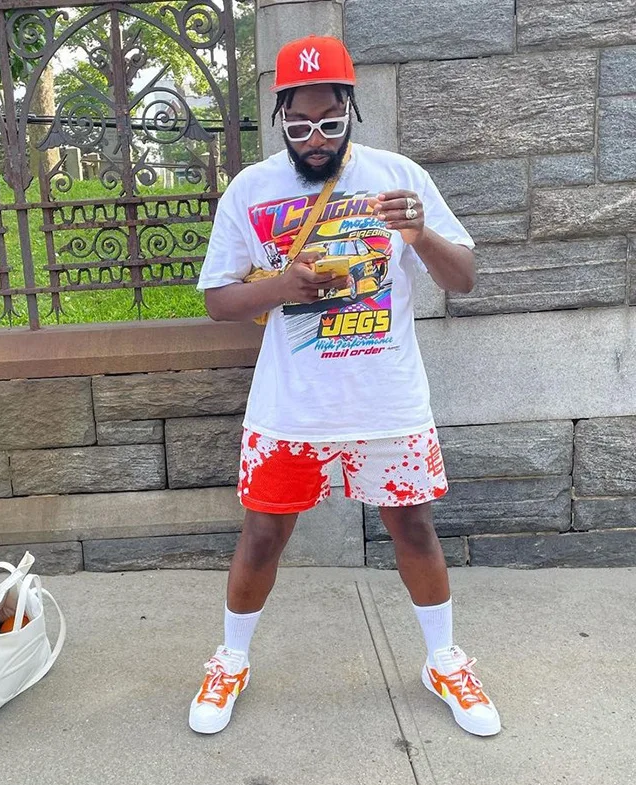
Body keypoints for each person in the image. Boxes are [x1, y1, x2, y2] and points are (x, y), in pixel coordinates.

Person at [191, 35, 500, 738]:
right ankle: (230, 661)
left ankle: (444, 661)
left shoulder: (398, 177)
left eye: (330, 123)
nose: (316, 140)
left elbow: (463, 279)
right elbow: (216, 300)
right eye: (299, 126)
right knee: (262, 535)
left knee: (413, 528)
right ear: (280, 117)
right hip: (291, 407)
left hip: (388, 401)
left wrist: (421, 236)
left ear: (351, 111)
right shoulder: (251, 189)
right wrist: (280, 287)